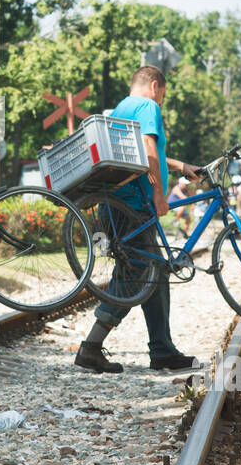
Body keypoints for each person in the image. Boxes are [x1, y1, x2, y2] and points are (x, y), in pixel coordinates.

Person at [76, 66, 201, 375]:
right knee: (137, 276)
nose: (162, 101)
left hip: (116, 204)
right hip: (132, 205)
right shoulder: (147, 106)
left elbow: (140, 152)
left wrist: (179, 165)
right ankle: (91, 347)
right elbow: (147, 149)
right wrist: (160, 193)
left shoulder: (121, 108)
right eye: (163, 95)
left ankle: (162, 350)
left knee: (154, 272)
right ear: (155, 86)